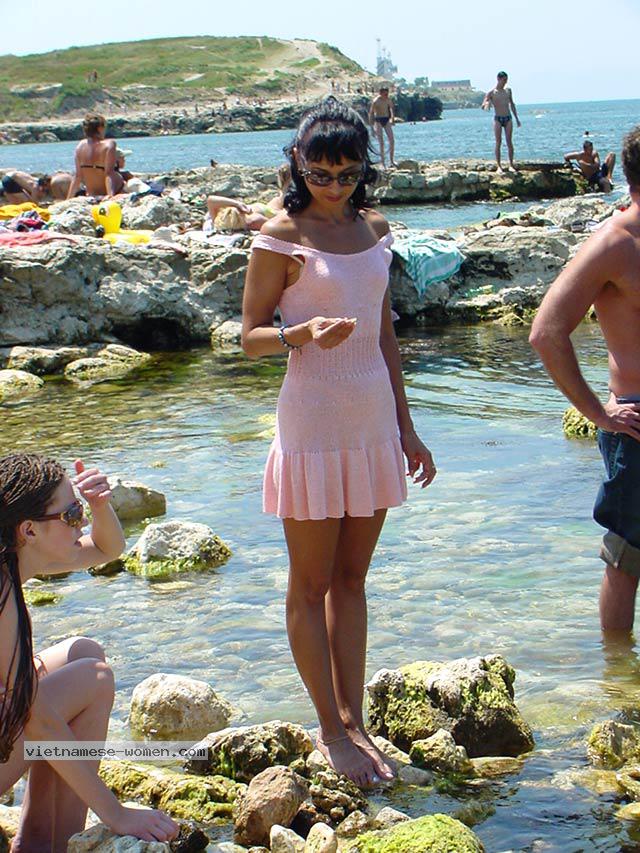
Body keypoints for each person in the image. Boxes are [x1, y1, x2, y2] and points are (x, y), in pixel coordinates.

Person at [242, 98, 436, 788]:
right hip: (313, 425)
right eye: (320, 174)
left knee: (353, 581)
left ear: (363, 169)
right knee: (310, 584)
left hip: (371, 421)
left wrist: (407, 428)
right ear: (298, 162)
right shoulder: (279, 236)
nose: (333, 186)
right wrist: (301, 333)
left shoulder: (375, 228)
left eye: (348, 174)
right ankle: (330, 730)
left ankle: (356, 721)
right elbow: (249, 338)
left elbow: (384, 335)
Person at [0, 453, 178, 847]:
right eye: (71, 515)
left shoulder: (14, 557)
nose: (79, 522)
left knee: (84, 653)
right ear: (28, 530)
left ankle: (37, 835)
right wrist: (116, 814)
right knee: (93, 679)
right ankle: (55, 842)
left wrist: (99, 505)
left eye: (79, 508)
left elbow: (105, 547)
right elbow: (38, 722)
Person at [529, 125, 640, 633]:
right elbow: (546, 333)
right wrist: (597, 412)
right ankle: (616, 675)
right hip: (635, 422)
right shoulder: (615, 243)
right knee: (627, 557)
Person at [205, 165, 291, 232]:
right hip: (274, 212)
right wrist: (237, 205)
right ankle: (287, 181)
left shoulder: (219, 221)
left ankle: (287, 182)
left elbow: (211, 200)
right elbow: (278, 226)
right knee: (283, 197)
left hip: (267, 209)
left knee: (282, 195)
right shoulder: (253, 221)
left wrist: (237, 204)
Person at [67, 114, 124, 200]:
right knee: (122, 176)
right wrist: (110, 196)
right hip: (108, 191)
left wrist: (68, 199)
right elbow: (109, 173)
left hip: (91, 193)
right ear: (100, 128)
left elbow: (78, 176)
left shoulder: (80, 145)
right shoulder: (109, 144)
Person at [482, 71, 521, 172]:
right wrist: (486, 104)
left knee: (509, 141)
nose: (505, 82)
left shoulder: (508, 91)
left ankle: (511, 165)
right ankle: (499, 166)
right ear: (498, 79)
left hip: (508, 118)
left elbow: (512, 104)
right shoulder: (492, 92)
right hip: (498, 119)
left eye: (506, 80)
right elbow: (484, 103)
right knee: (498, 142)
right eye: (504, 80)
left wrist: (517, 119)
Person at [368, 87, 396, 168]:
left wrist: (392, 119)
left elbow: (391, 109)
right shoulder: (376, 101)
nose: (386, 95)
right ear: (380, 93)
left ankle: (391, 161)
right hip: (378, 120)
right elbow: (371, 113)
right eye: (385, 94)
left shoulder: (388, 100)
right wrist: (372, 128)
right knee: (381, 143)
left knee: (392, 140)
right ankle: (383, 163)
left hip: (386, 119)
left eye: (387, 94)